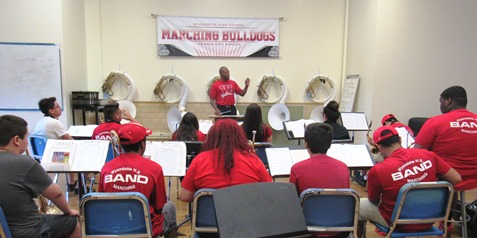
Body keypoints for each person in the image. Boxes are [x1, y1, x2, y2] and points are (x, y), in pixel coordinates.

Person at [358, 126, 461, 237]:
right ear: (400, 140)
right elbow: (456, 179)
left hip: (398, 222)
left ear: (378, 146)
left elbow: (373, 199)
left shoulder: (378, 170)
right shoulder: (428, 155)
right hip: (430, 218)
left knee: (359, 206)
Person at [0, 115, 80, 237]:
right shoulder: (24, 163)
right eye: (26, 137)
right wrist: (68, 211)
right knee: (73, 221)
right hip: (27, 231)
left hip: (3, 231)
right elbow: (56, 194)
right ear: (17, 140)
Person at [98, 123, 178, 238]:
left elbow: (102, 202)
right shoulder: (154, 168)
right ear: (142, 145)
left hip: (114, 226)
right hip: (146, 228)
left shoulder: (106, 168)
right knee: (169, 206)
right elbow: (159, 206)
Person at [179, 118, 272, 202]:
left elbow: (185, 196)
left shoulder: (199, 160)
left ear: (212, 137)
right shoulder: (254, 161)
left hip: (210, 220)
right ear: (240, 137)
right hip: (246, 220)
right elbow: (269, 192)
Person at [289, 123, 350, 238]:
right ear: (329, 144)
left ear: (306, 144)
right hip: (340, 227)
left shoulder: (297, 169)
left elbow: (293, 202)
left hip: (309, 228)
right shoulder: (343, 167)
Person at [414, 85, 477, 182]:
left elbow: (417, 153)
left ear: (448, 101)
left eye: (441, 101)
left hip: (446, 178)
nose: (440, 105)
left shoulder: (435, 122)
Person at [32, 96, 76, 191]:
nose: (60, 108)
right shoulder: (54, 123)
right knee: (76, 153)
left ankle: (72, 183)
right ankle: (75, 183)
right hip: (54, 158)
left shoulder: (41, 121)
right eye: (58, 107)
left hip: (42, 157)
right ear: (51, 111)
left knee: (69, 152)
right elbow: (70, 141)